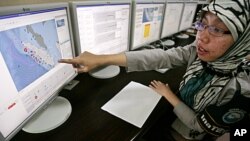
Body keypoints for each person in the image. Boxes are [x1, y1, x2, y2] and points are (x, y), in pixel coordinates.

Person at [60, 0, 250, 140]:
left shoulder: (242, 88)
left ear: (242, 39)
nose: (202, 37)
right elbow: (161, 57)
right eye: (203, 24)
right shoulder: (199, 51)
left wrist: (169, 94)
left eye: (217, 30)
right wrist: (102, 58)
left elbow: (199, 126)